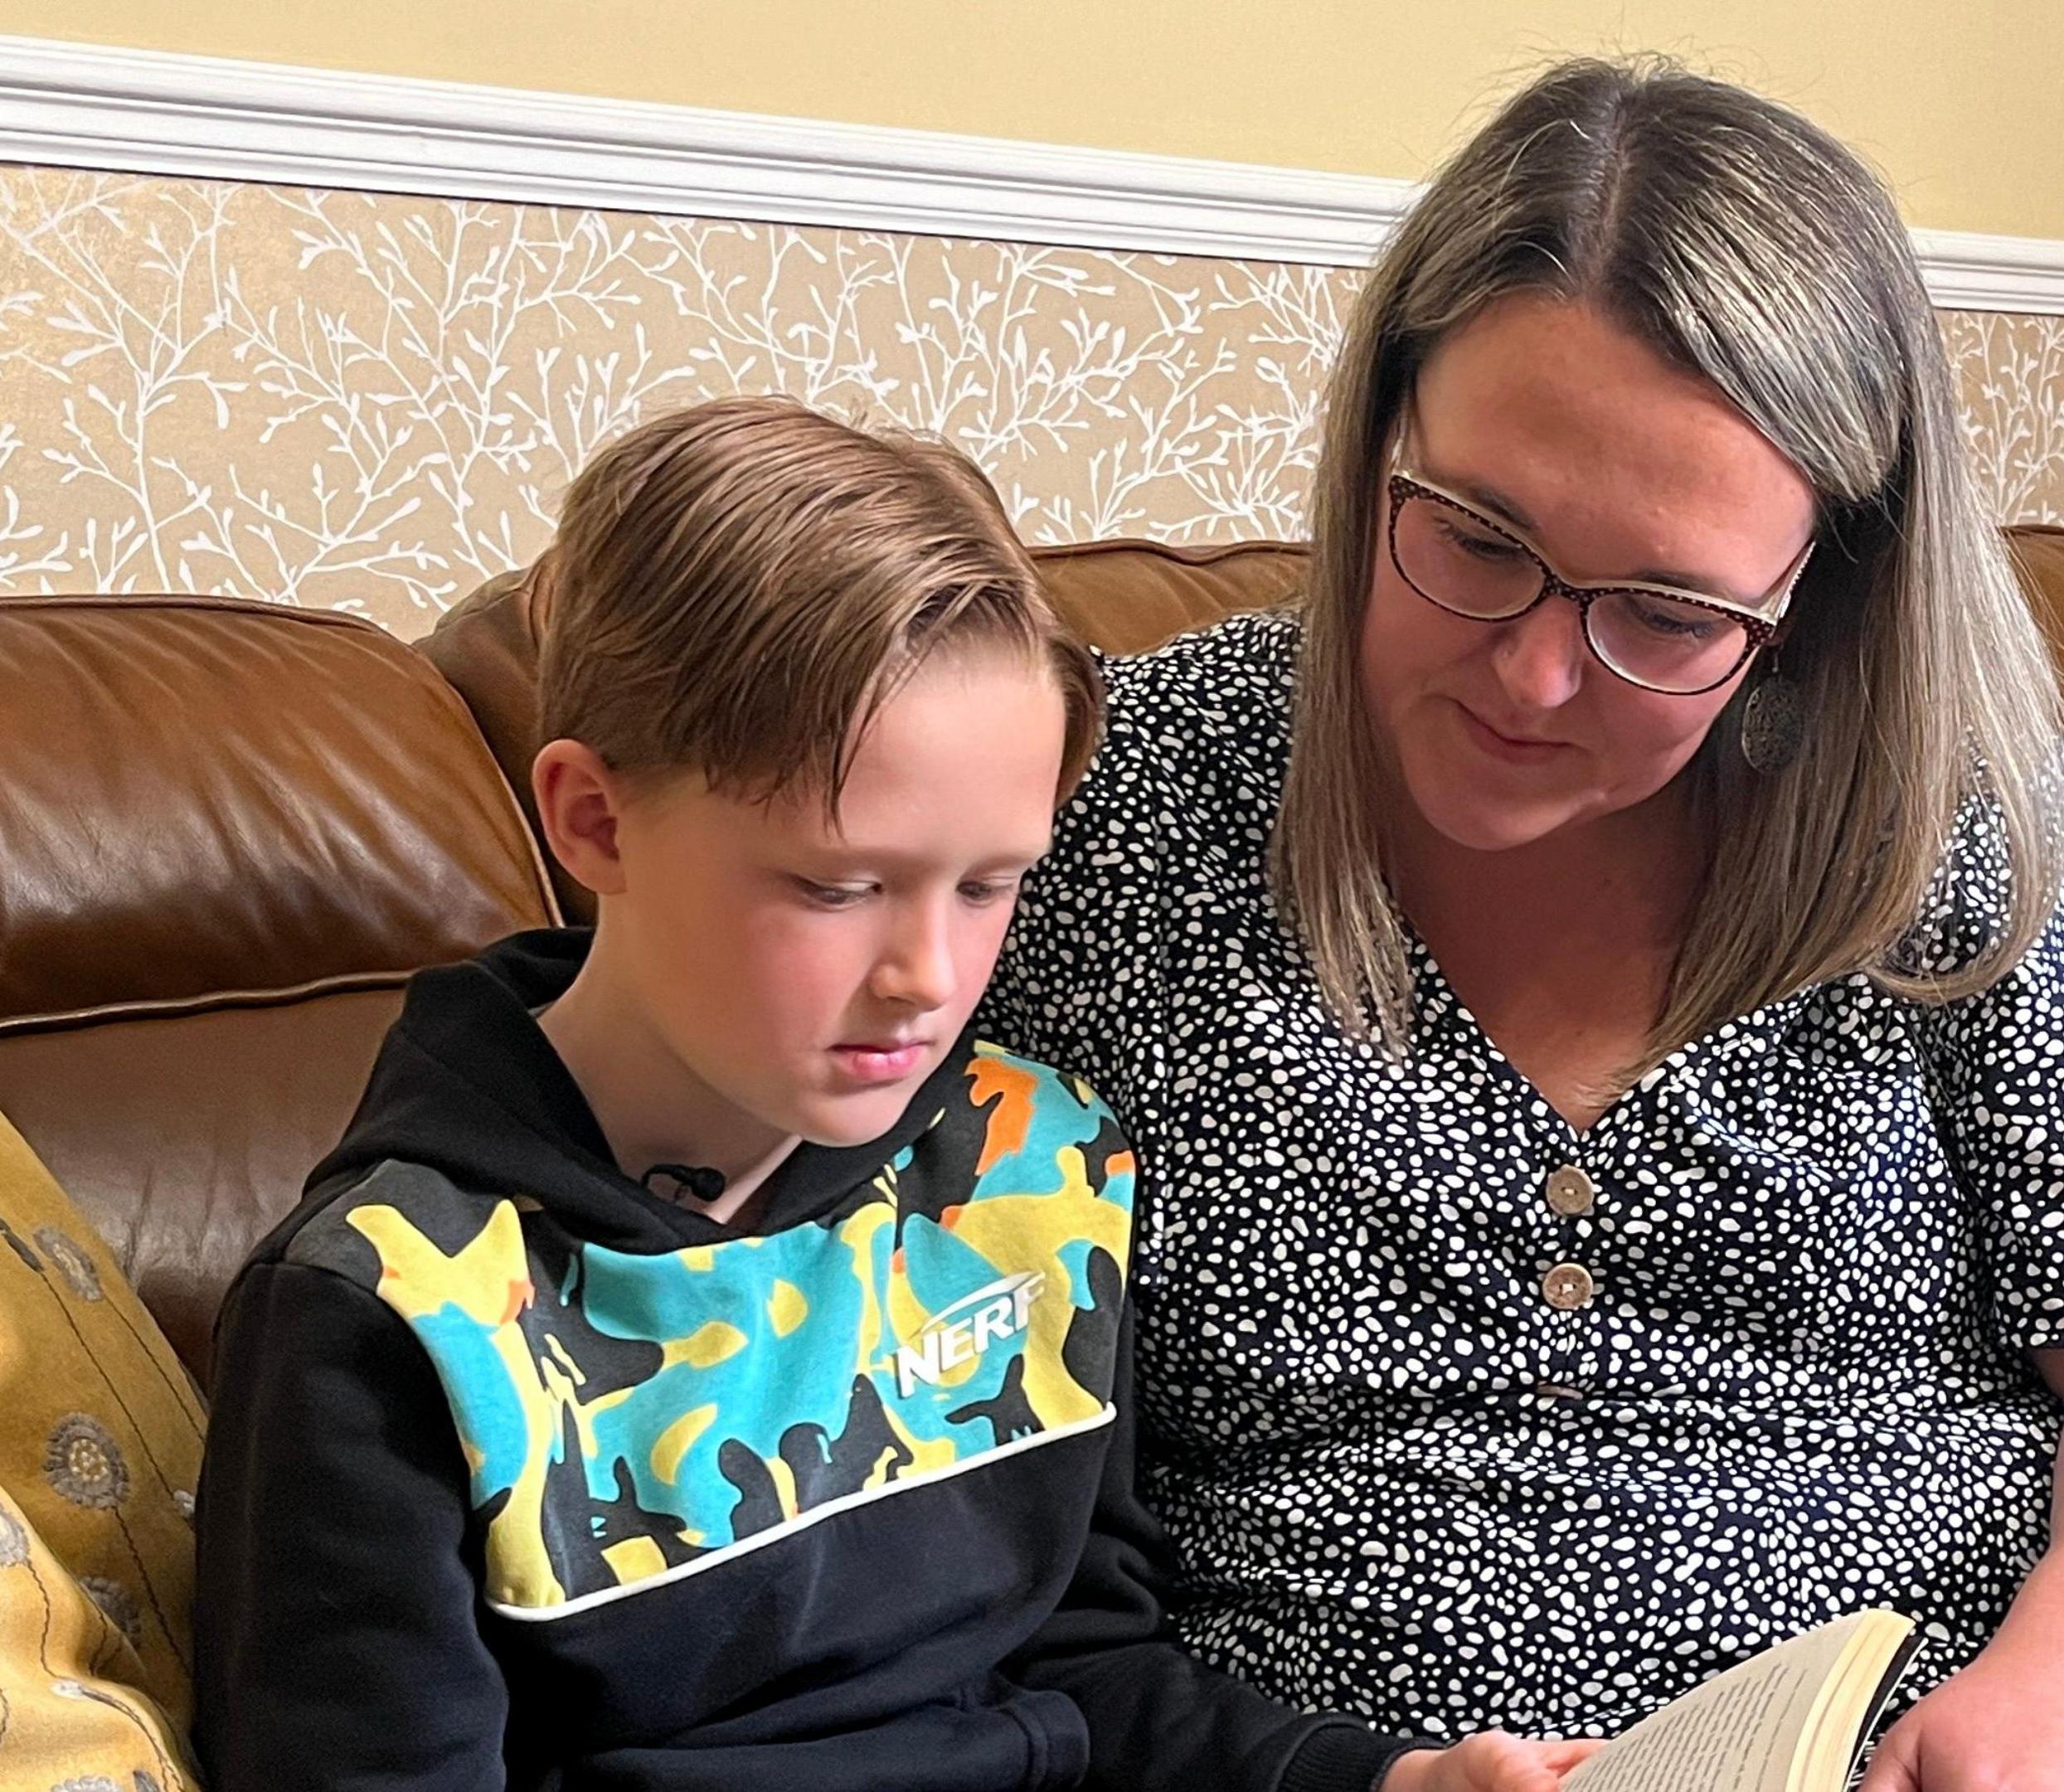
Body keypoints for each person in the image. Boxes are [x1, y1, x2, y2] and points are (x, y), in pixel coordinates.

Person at [975, 61, 2064, 1792]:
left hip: (2022, 1673)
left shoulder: (1942, 811)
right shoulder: (1105, 803)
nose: (1536, 676)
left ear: (1816, 595)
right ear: (1380, 433)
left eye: (1670, 612)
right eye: (1477, 537)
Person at [192, 398, 1591, 1792]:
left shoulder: (1038, 1168)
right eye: (840, 884)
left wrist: (1383, 1781)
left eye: (991, 884)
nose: (928, 975)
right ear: (594, 819)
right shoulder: (390, 1312)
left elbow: (1086, 1672)